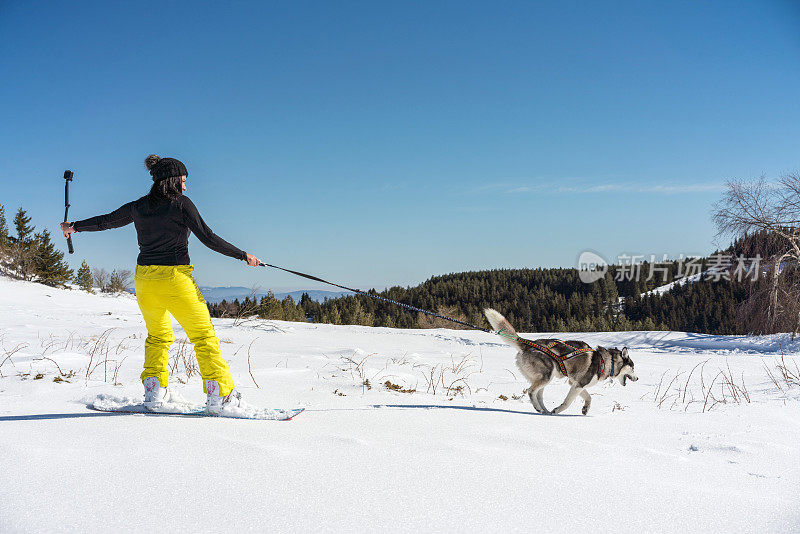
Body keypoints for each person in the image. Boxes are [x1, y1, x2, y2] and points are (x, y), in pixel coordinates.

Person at [61, 154, 260, 413]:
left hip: (144, 281)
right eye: (184, 181)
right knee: (203, 337)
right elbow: (208, 237)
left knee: (157, 337)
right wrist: (243, 255)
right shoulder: (181, 204)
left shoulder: (138, 206)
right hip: (175, 279)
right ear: (173, 181)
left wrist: (73, 226)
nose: (186, 186)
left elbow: (106, 221)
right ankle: (220, 396)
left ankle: (154, 393)